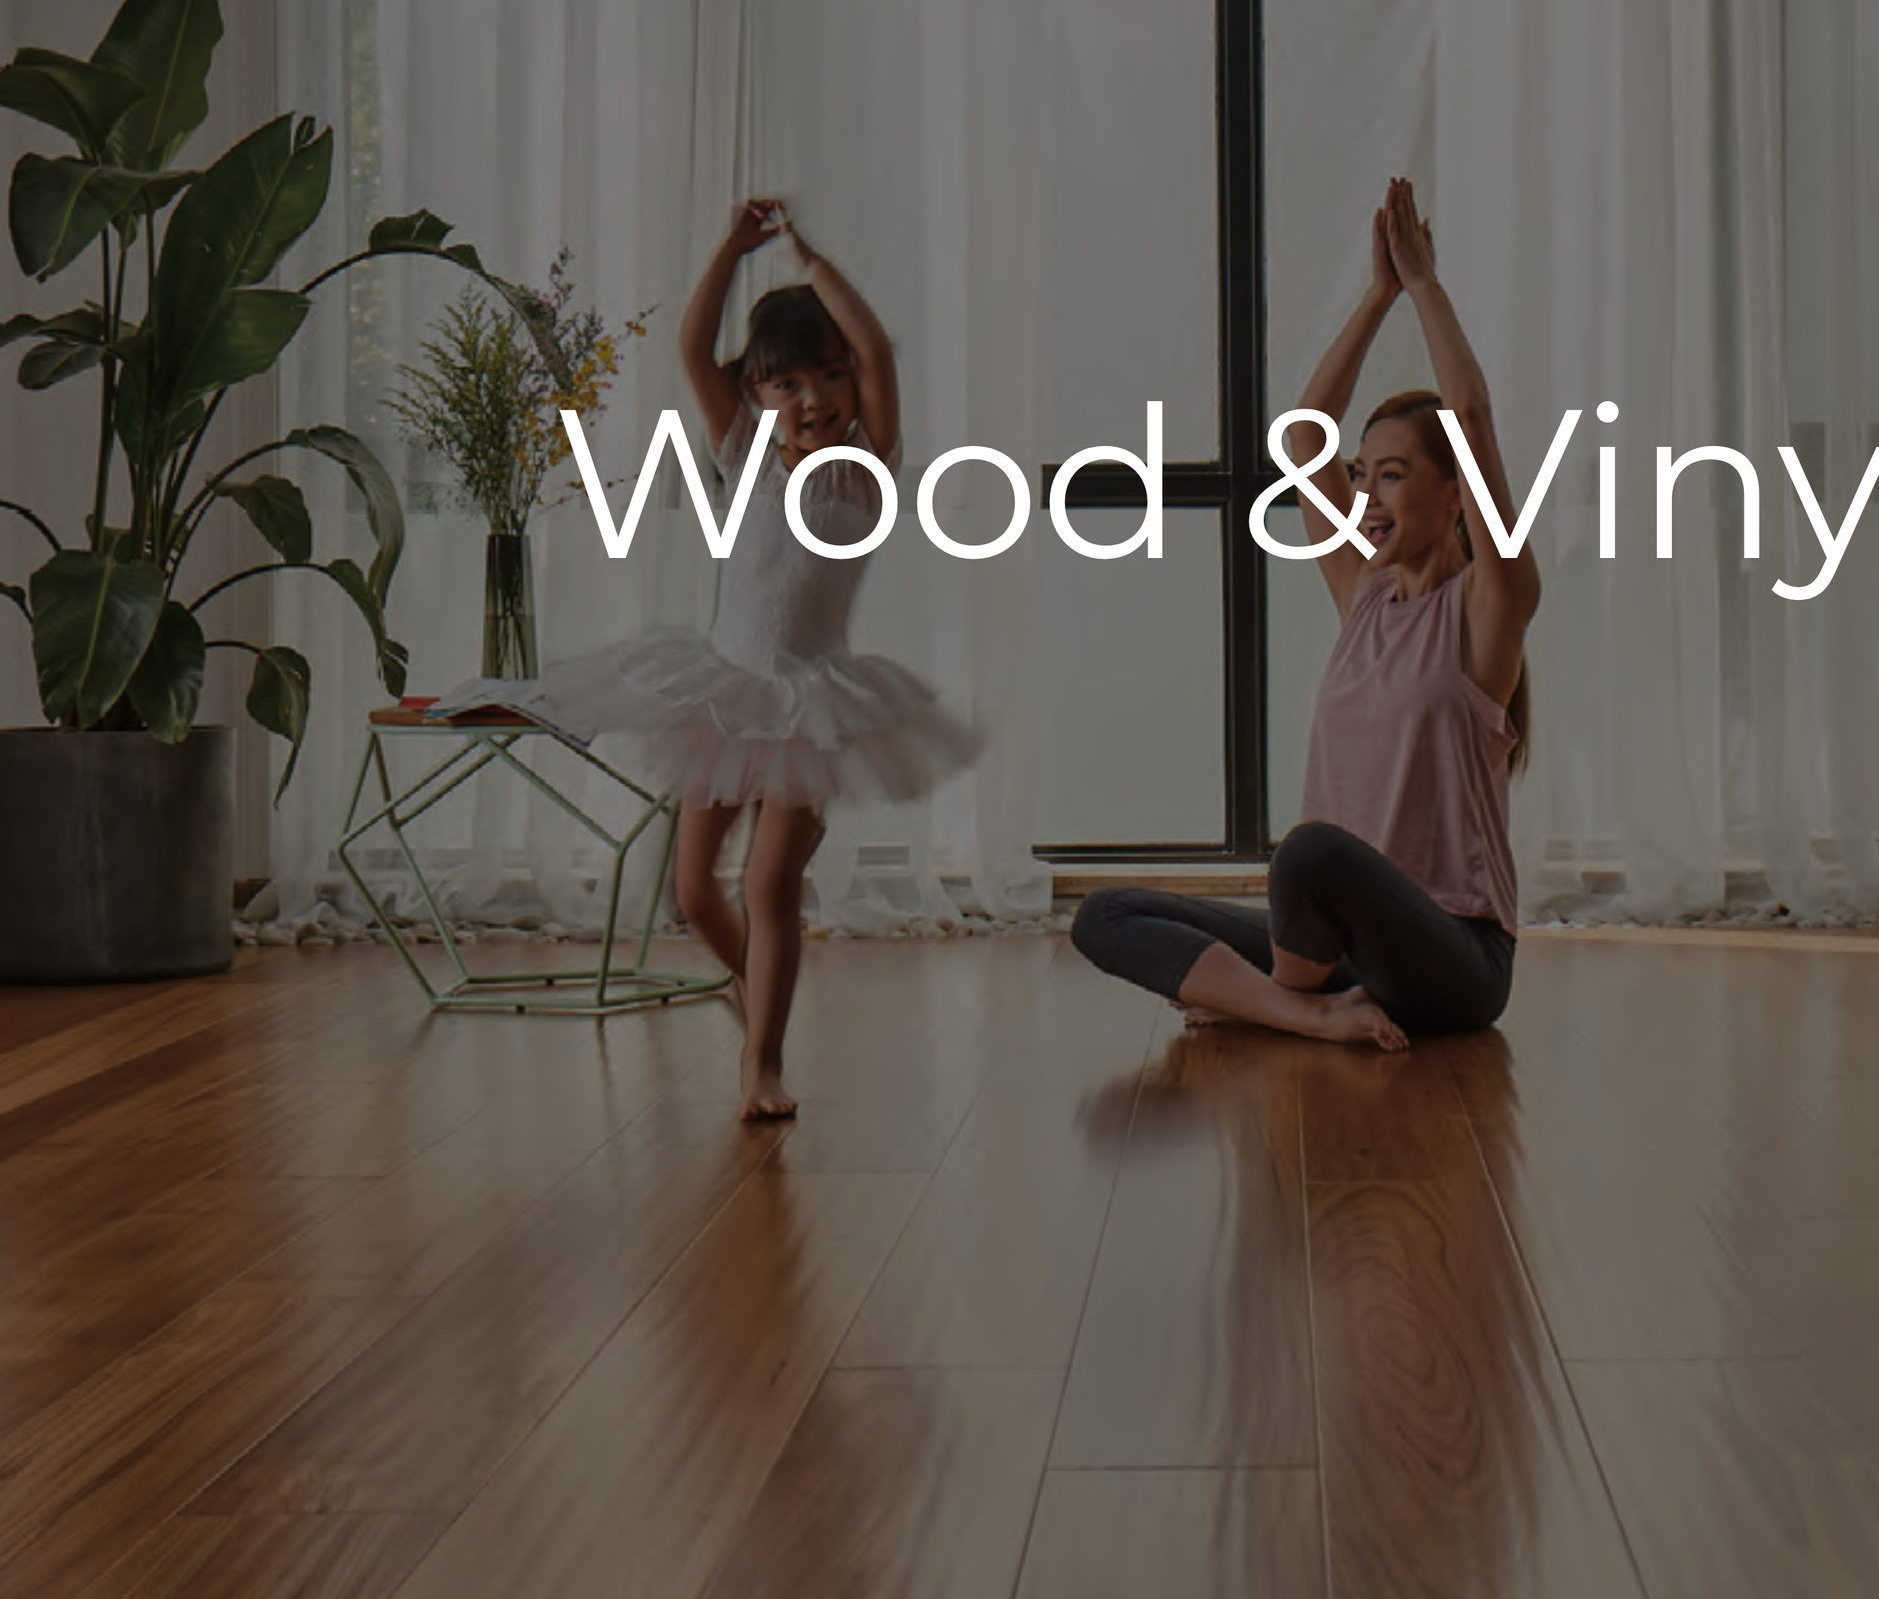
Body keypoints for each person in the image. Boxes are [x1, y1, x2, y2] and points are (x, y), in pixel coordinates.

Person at [535, 198, 976, 1118]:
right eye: (785, 384)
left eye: (828, 376)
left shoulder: (867, 467)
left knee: (771, 881)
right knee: (696, 893)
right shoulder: (741, 451)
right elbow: (693, 350)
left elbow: (884, 352)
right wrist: (731, 250)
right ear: (757, 393)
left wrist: (812, 257)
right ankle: (766, 992)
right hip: (722, 693)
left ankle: (761, 1062)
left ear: (853, 382)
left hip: (810, 704)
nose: (811, 398)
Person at [1072, 178, 1537, 1050]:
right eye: (1361, 475)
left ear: (1455, 496)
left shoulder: (1489, 609)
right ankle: (1305, 1010)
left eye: (1392, 474)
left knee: (1310, 852)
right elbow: (1301, 435)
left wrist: (1425, 285)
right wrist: (1376, 297)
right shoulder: (1361, 595)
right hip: (1345, 953)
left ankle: (1279, 1006)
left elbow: (1471, 417)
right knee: (1105, 914)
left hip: (1456, 960)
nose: (1363, 493)